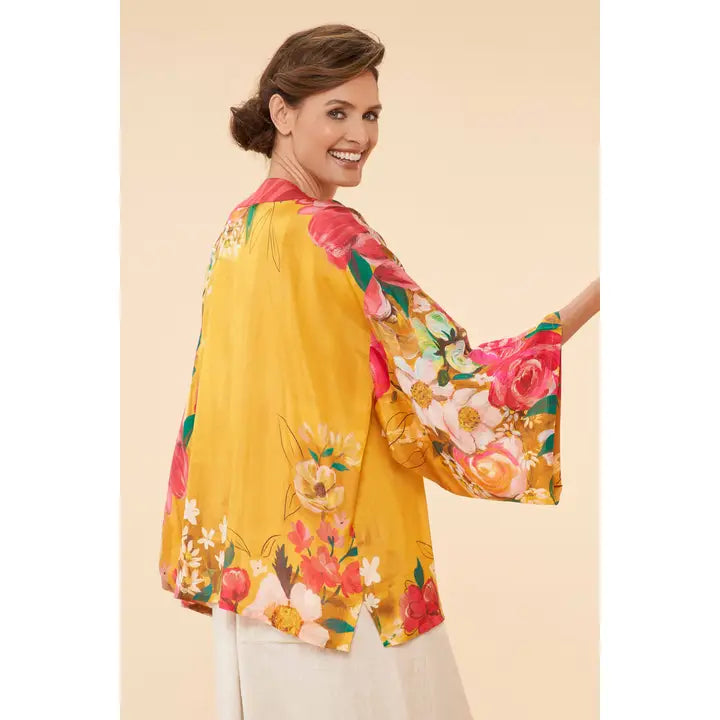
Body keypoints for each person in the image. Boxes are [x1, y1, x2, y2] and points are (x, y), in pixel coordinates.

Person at [158, 23, 600, 720]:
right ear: (281, 114)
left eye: (370, 115)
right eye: (337, 112)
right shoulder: (336, 235)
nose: (359, 135)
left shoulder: (235, 236)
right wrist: (596, 298)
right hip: (348, 585)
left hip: (253, 583)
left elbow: (206, 410)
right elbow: (452, 379)